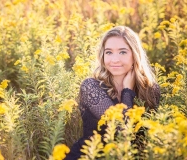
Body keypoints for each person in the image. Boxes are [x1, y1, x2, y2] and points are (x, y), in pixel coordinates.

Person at [65, 26, 160, 160]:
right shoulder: (91, 87)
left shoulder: (150, 90)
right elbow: (121, 132)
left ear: (135, 54)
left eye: (122, 52)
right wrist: (127, 91)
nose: (115, 60)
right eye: (109, 52)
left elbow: (146, 138)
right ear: (102, 55)